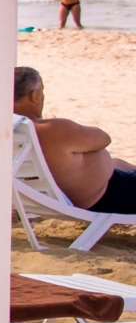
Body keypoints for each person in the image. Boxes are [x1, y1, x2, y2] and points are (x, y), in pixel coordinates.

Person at [18, 65, 136, 215]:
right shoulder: (51, 130)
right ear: (34, 95)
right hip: (108, 199)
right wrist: (56, 124)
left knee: (119, 163)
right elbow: (104, 138)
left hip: (47, 199)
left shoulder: (7, 130)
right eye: (42, 92)